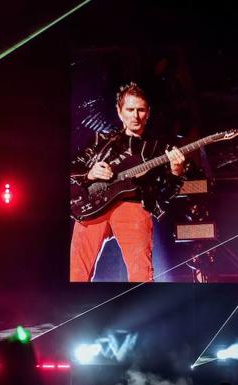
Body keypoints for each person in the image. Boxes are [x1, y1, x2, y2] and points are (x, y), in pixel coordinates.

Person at [70, 82, 185, 282]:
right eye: (130, 109)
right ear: (119, 111)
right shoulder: (100, 140)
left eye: (140, 110)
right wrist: (89, 173)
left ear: (148, 112)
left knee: (141, 273)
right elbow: (71, 169)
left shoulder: (160, 147)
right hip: (93, 205)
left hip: (133, 206)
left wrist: (176, 173)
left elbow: (166, 194)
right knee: (77, 273)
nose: (135, 116)